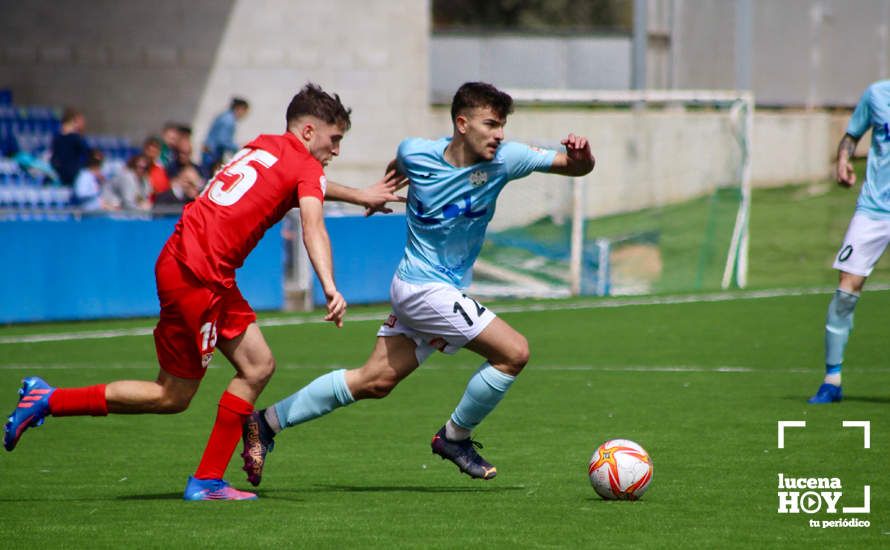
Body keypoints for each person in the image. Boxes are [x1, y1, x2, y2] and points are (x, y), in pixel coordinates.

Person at [3, 83, 405, 501]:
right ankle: (50, 399)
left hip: (198, 267)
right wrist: (329, 285)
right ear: (307, 132)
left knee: (258, 366)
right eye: (334, 139)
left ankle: (208, 478)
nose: (336, 149)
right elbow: (313, 224)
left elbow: (304, 185)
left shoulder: (265, 146)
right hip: (197, 276)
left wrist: (359, 195)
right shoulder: (303, 168)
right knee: (171, 395)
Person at [240, 82, 595, 486]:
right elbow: (400, 166)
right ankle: (454, 437)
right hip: (422, 289)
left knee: (374, 380)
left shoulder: (508, 159)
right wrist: (375, 194)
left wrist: (584, 158)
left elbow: (574, 167)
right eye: (491, 124)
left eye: (502, 126)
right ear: (462, 124)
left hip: (434, 290)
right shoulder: (416, 152)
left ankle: (266, 422)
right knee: (514, 352)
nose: (499, 134)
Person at [808, 79, 890, 404]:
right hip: (872, 210)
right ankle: (832, 380)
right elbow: (852, 135)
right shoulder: (877, 94)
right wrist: (844, 159)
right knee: (846, 289)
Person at [202, 97, 249, 177]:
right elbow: (223, 140)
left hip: (210, 151)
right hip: (213, 153)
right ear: (239, 108)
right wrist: (238, 148)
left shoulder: (224, 116)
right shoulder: (229, 120)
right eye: (245, 111)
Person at [50, 107, 89, 186]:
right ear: (73, 121)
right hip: (71, 174)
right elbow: (86, 152)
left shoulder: (57, 137)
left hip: (61, 173)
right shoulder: (74, 138)